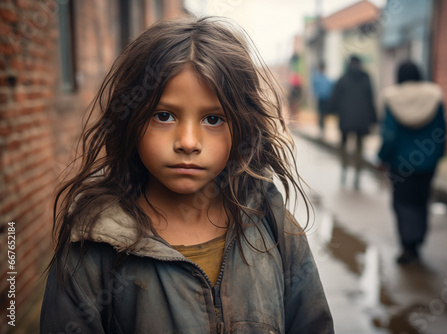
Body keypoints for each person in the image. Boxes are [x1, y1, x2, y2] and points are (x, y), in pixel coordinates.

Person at [40, 17, 334, 333]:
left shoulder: (272, 225)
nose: (188, 142)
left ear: (242, 126)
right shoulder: (93, 244)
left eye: (213, 119)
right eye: (163, 116)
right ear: (130, 120)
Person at [377, 61, 447, 264]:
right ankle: (417, 242)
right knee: (421, 201)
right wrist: (438, 156)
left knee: (403, 203)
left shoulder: (392, 98)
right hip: (428, 163)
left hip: (401, 164)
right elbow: (442, 131)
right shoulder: (435, 96)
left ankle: (407, 246)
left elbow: (389, 135)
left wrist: (382, 158)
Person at [328, 55, 376, 189]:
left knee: (343, 145)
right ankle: (357, 174)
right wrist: (373, 119)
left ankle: (344, 169)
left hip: (345, 119)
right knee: (359, 147)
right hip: (362, 120)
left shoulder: (343, 79)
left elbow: (335, 99)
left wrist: (330, 112)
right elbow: (371, 100)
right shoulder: (366, 79)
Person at [311, 62, 334, 136]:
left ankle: (323, 127)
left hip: (326, 98)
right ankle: (321, 128)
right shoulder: (317, 78)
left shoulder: (325, 78)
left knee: (324, 113)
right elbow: (315, 88)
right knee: (321, 113)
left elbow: (329, 87)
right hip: (321, 98)